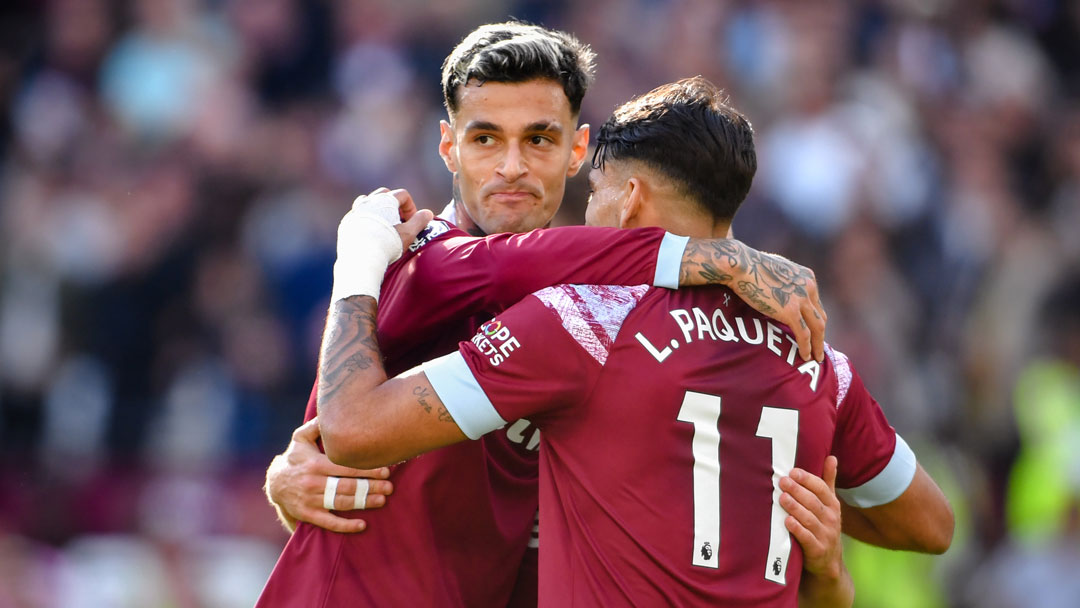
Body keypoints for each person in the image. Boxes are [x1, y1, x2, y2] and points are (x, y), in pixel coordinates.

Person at [316, 77, 955, 606]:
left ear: (628, 201)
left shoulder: (581, 324)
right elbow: (932, 525)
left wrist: (358, 262)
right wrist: (828, 573)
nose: (585, 216)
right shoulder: (819, 360)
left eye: (593, 194)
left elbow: (353, 428)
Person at [256, 23, 829, 607]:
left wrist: (827, 568)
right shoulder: (423, 257)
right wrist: (721, 256)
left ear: (576, 150)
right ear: (447, 145)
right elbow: (338, 430)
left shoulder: (598, 304)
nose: (511, 166)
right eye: (484, 140)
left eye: (538, 139)